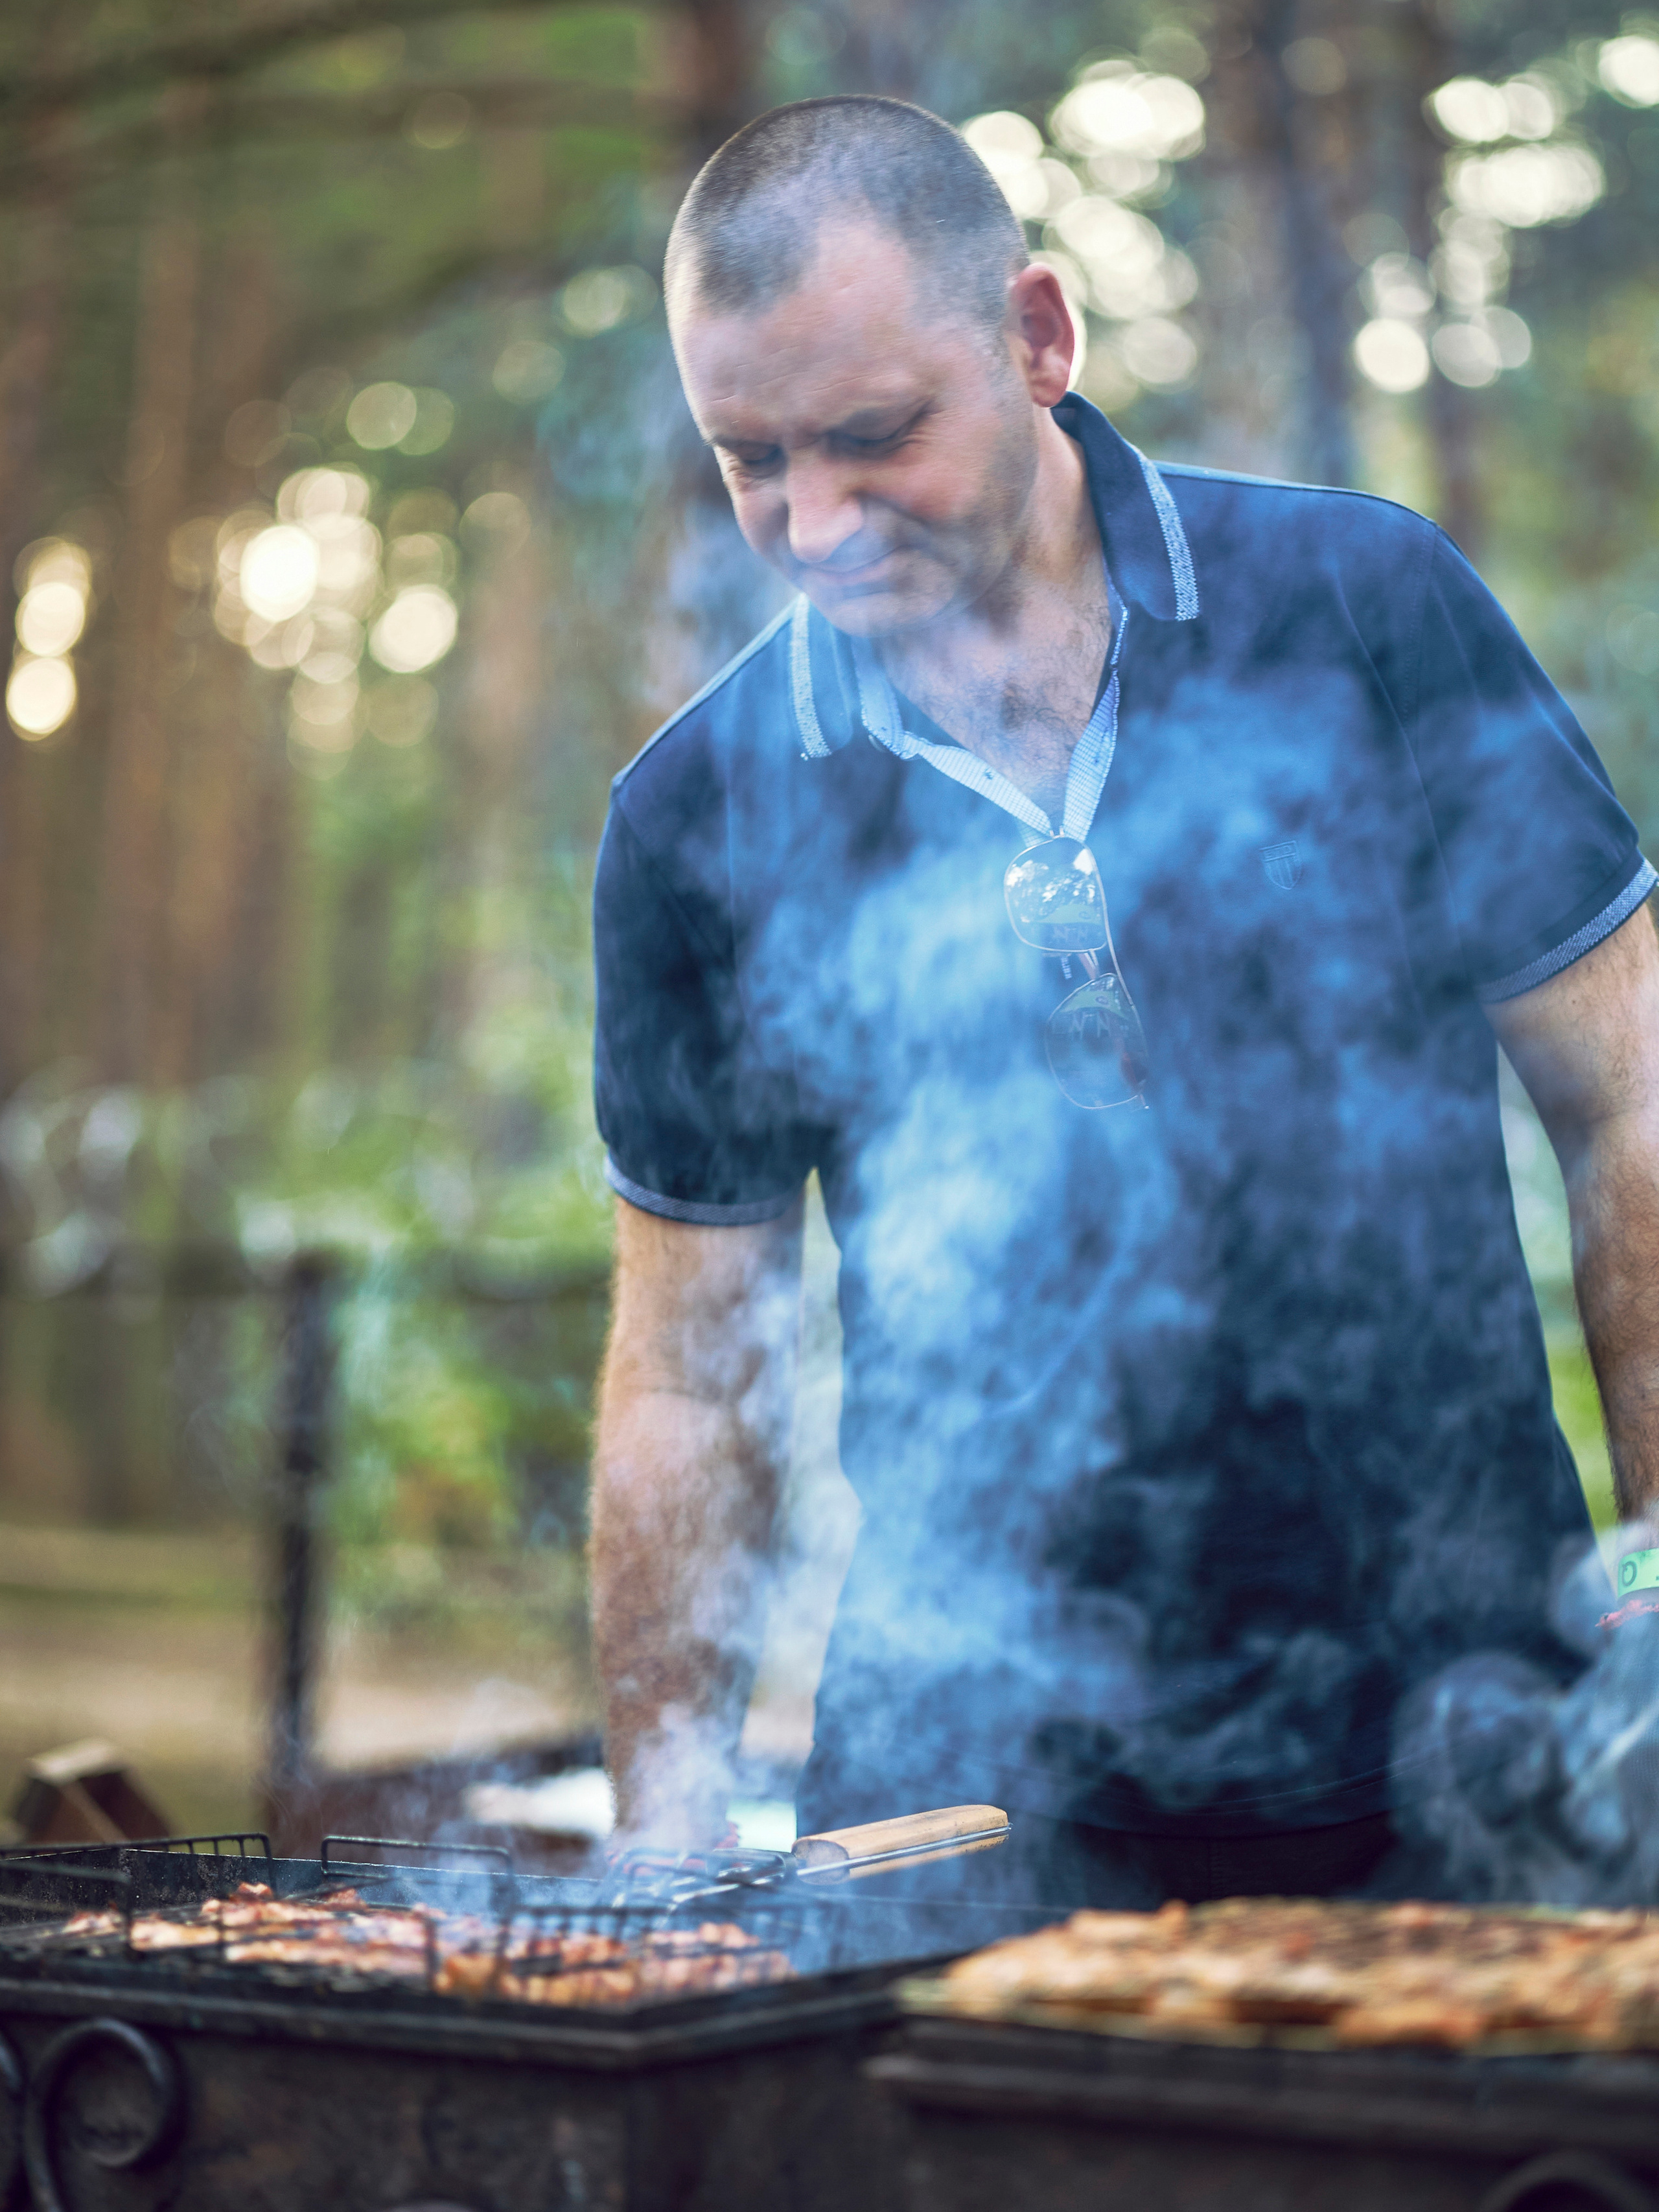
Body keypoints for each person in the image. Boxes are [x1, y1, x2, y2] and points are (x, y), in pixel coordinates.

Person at [586, 94, 1659, 1905]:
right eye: (751, 461)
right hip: (963, 1792)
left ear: (1039, 337)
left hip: (1468, 1730)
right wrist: (669, 1814)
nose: (816, 525)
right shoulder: (691, 818)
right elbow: (691, 1376)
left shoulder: (1362, 606)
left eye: (874, 437)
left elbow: (1631, 1113)